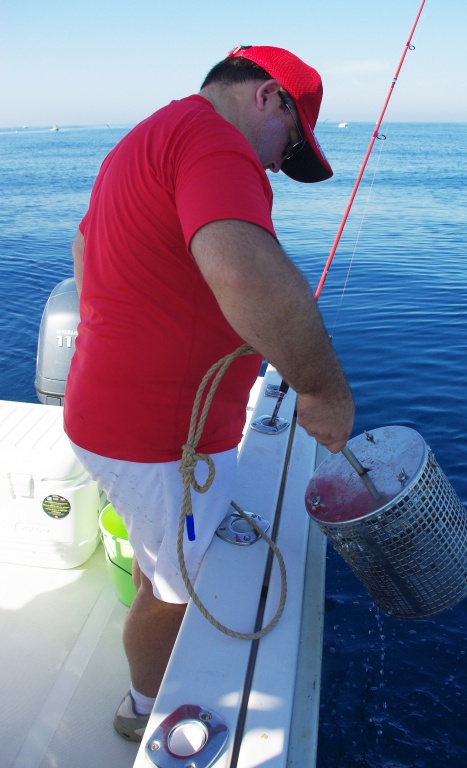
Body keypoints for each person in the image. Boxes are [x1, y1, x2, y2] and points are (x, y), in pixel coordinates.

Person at [64, 44, 354, 742]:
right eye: (289, 145)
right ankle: (142, 708)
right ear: (269, 98)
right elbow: (247, 274)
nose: (276, 165)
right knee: (173, 590)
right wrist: (321, 389)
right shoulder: (215, 144)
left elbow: (82, 249)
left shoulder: (148, 138)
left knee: (167, 545)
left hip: (114, 412)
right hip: (157, 439)